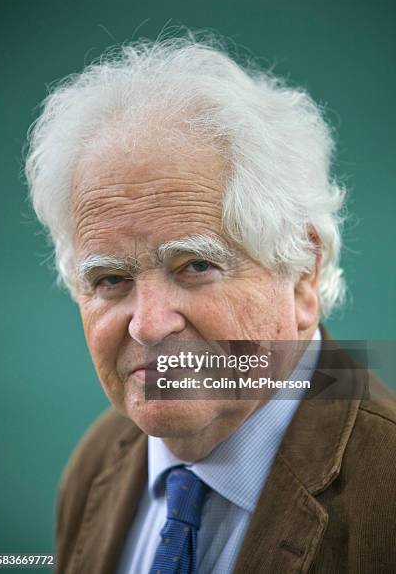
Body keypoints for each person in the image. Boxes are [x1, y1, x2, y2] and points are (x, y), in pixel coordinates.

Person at [25, 35, 396, 574]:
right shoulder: (98, 461)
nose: (149, 325)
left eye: (196, 267)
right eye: (110, 279)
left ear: (302, 275)